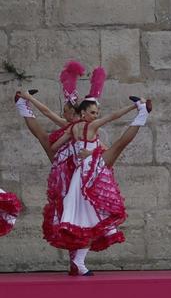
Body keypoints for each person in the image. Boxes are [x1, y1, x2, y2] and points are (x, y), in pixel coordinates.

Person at [20, 64, 145, 274]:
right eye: (93, 111)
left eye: (69, 109)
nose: (96, 114)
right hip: (82, 171)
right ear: (84, 112)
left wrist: (90, 151)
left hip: (76, 169)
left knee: (74, 216)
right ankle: (142, 114)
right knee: (84, 215)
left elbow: (52, 139)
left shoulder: (72, 127)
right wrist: (134, 108)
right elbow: (111, 121)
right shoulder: (85, 125)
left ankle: (76, 263)